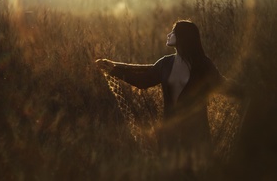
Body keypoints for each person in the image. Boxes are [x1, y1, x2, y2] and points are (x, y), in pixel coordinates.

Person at [96, 20, 240, 179]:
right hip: (170, 131)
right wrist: (114, 70)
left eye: (173, 32)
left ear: (183, 37)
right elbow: (143, 81)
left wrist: (248, 90)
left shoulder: (204, 65)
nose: (168, 34)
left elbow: (222, 84)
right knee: (171, 173)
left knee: (195, 174)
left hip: (196, 133)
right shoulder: (165, 63)